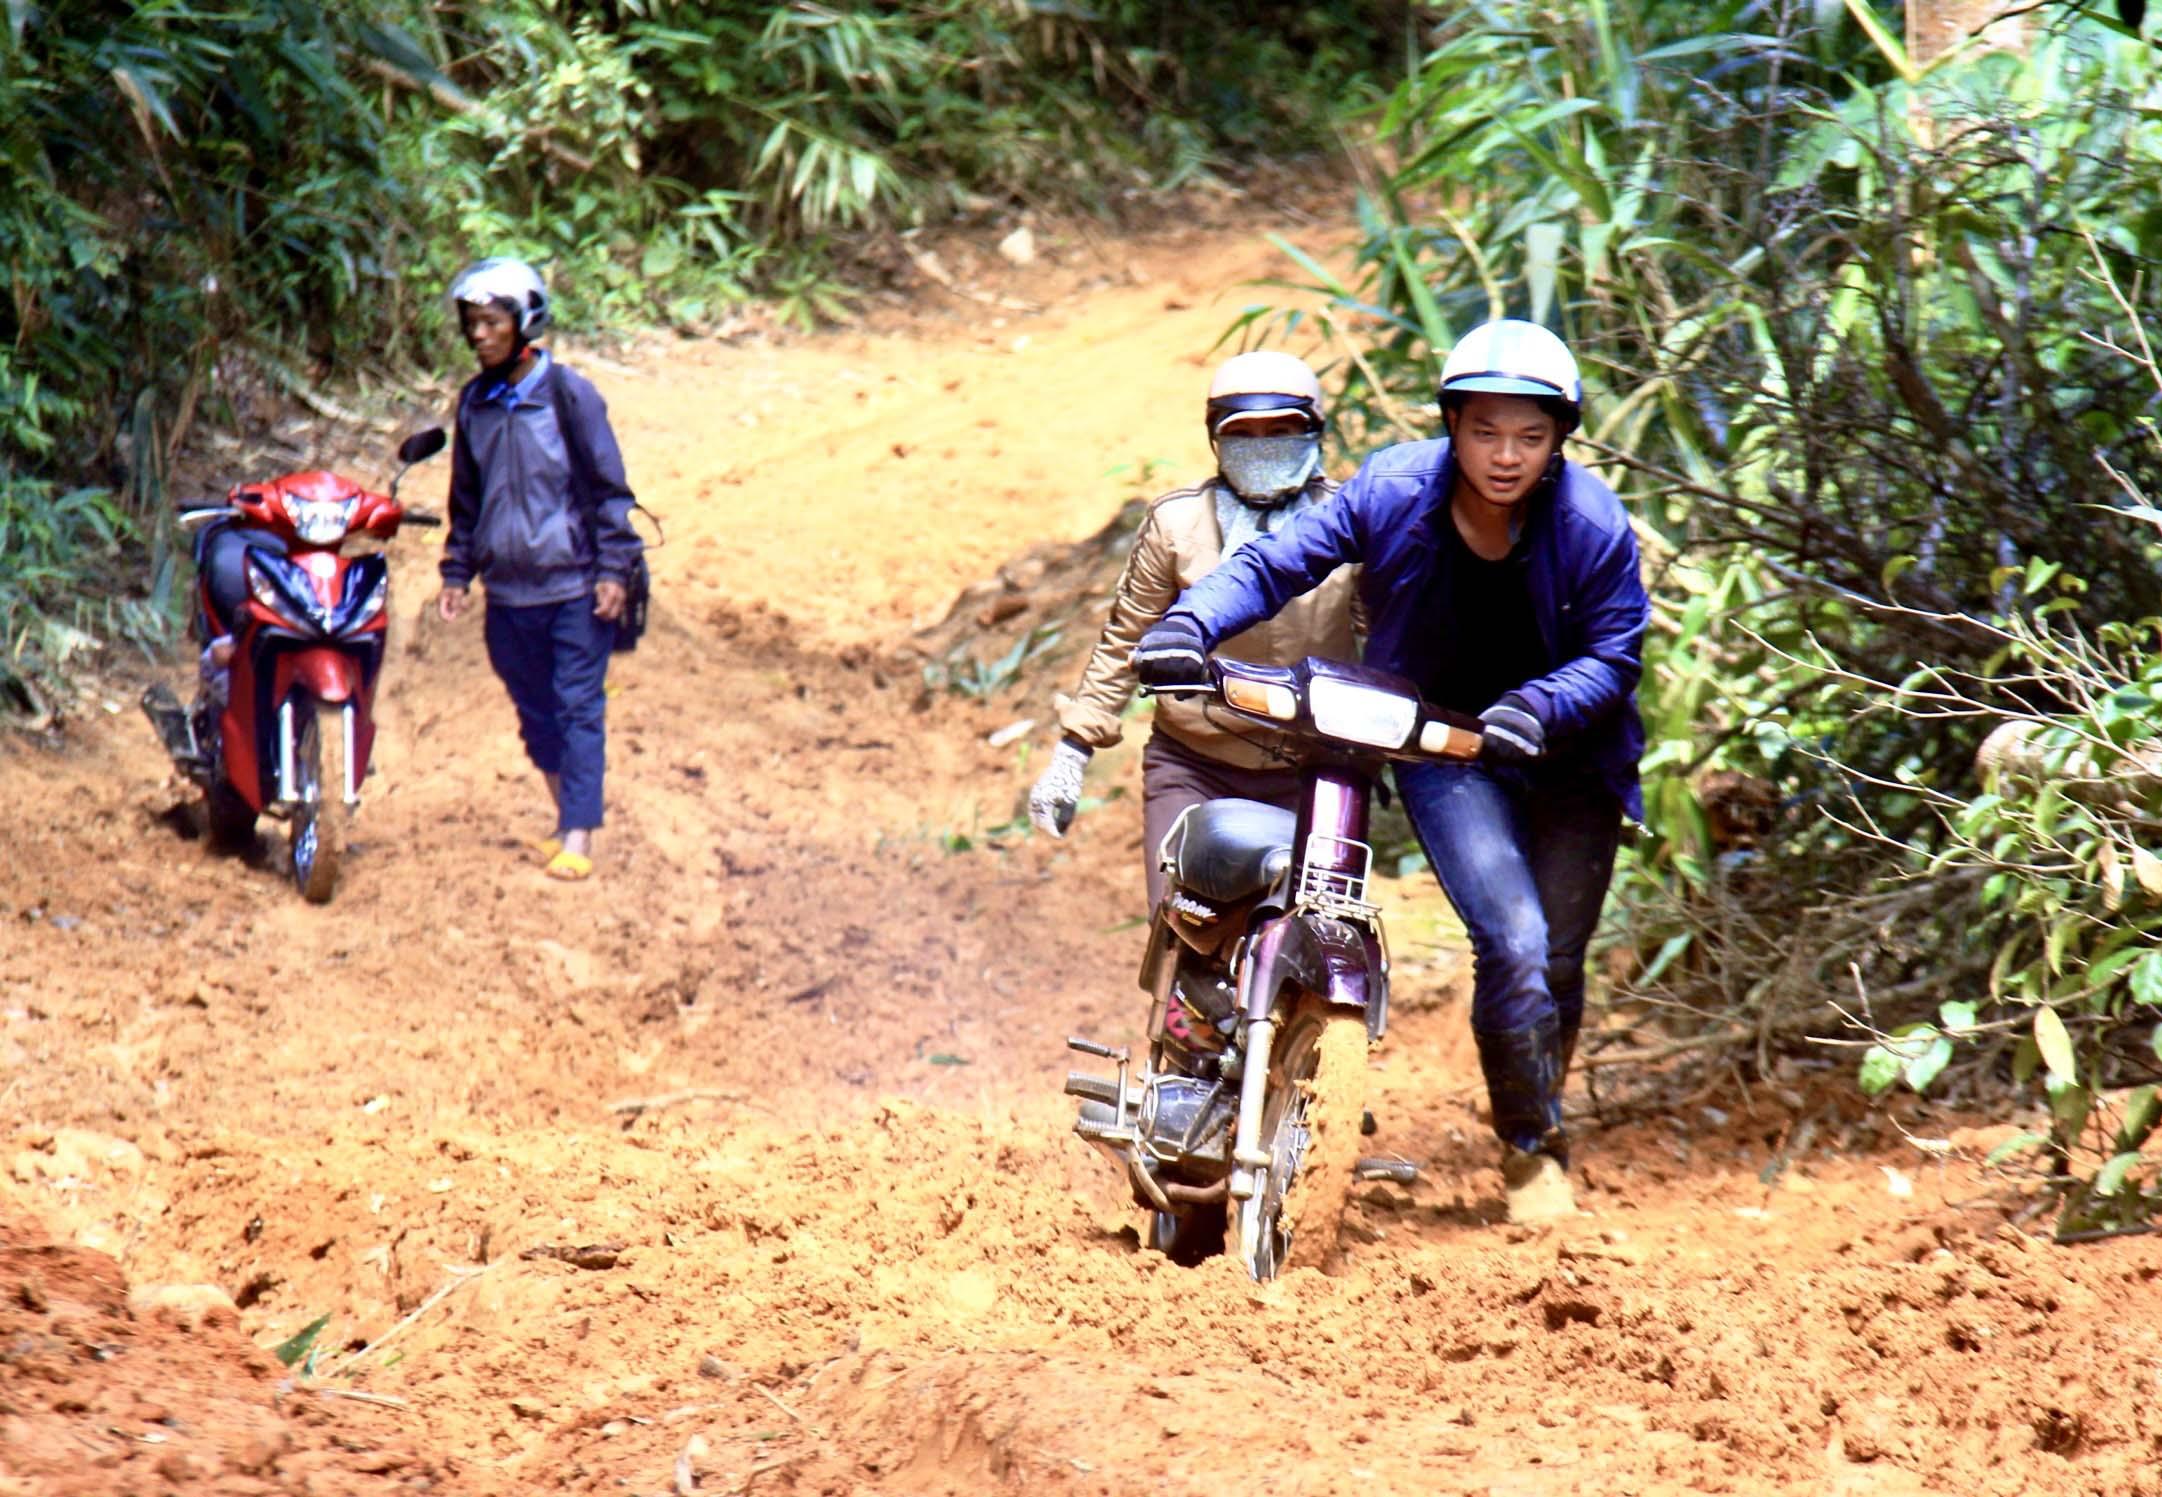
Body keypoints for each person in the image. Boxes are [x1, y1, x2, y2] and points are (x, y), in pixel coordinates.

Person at [1133, 319, 1649, 1225]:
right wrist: (1190, 624)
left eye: (1530, 437)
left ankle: (1533, 1127)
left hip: (1570, 762)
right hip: (1446, 749)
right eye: (1485, 430)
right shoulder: (1392, 490)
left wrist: (1542, 703)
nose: (1505, 456)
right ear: (1452, 425)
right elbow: (1276, 563)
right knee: (1516, 939)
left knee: (1557, 965)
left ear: (1560, 440)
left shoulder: (1594, 526)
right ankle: (1534, 1155)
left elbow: (1614, 658)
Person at [1027, 350, 1359, 929]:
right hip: (1197, 762)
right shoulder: (1177, 525)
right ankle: (1176, 1017)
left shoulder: (1353, 522)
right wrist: (1072, 754)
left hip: (1316, 769)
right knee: (1183, 922)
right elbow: (1126, 636)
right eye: (1244, 434)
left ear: (1314, 433)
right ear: (1216, 440)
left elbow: (1394, 638)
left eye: (1281, 430)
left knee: (1320, 929)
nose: (1263, 446)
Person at [432, 258, 644, 882]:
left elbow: (610, 491)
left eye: (492, 322)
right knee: (534, 710)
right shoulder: (474, 405)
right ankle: (563, 820)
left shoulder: (568, 395)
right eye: (472, 323)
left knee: (579, 705)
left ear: (525, 323)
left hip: (575, 585)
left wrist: (613, 569)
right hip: (508, 594)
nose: (479, 335)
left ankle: (578, 836)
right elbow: (465, 501)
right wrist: (455, 573)